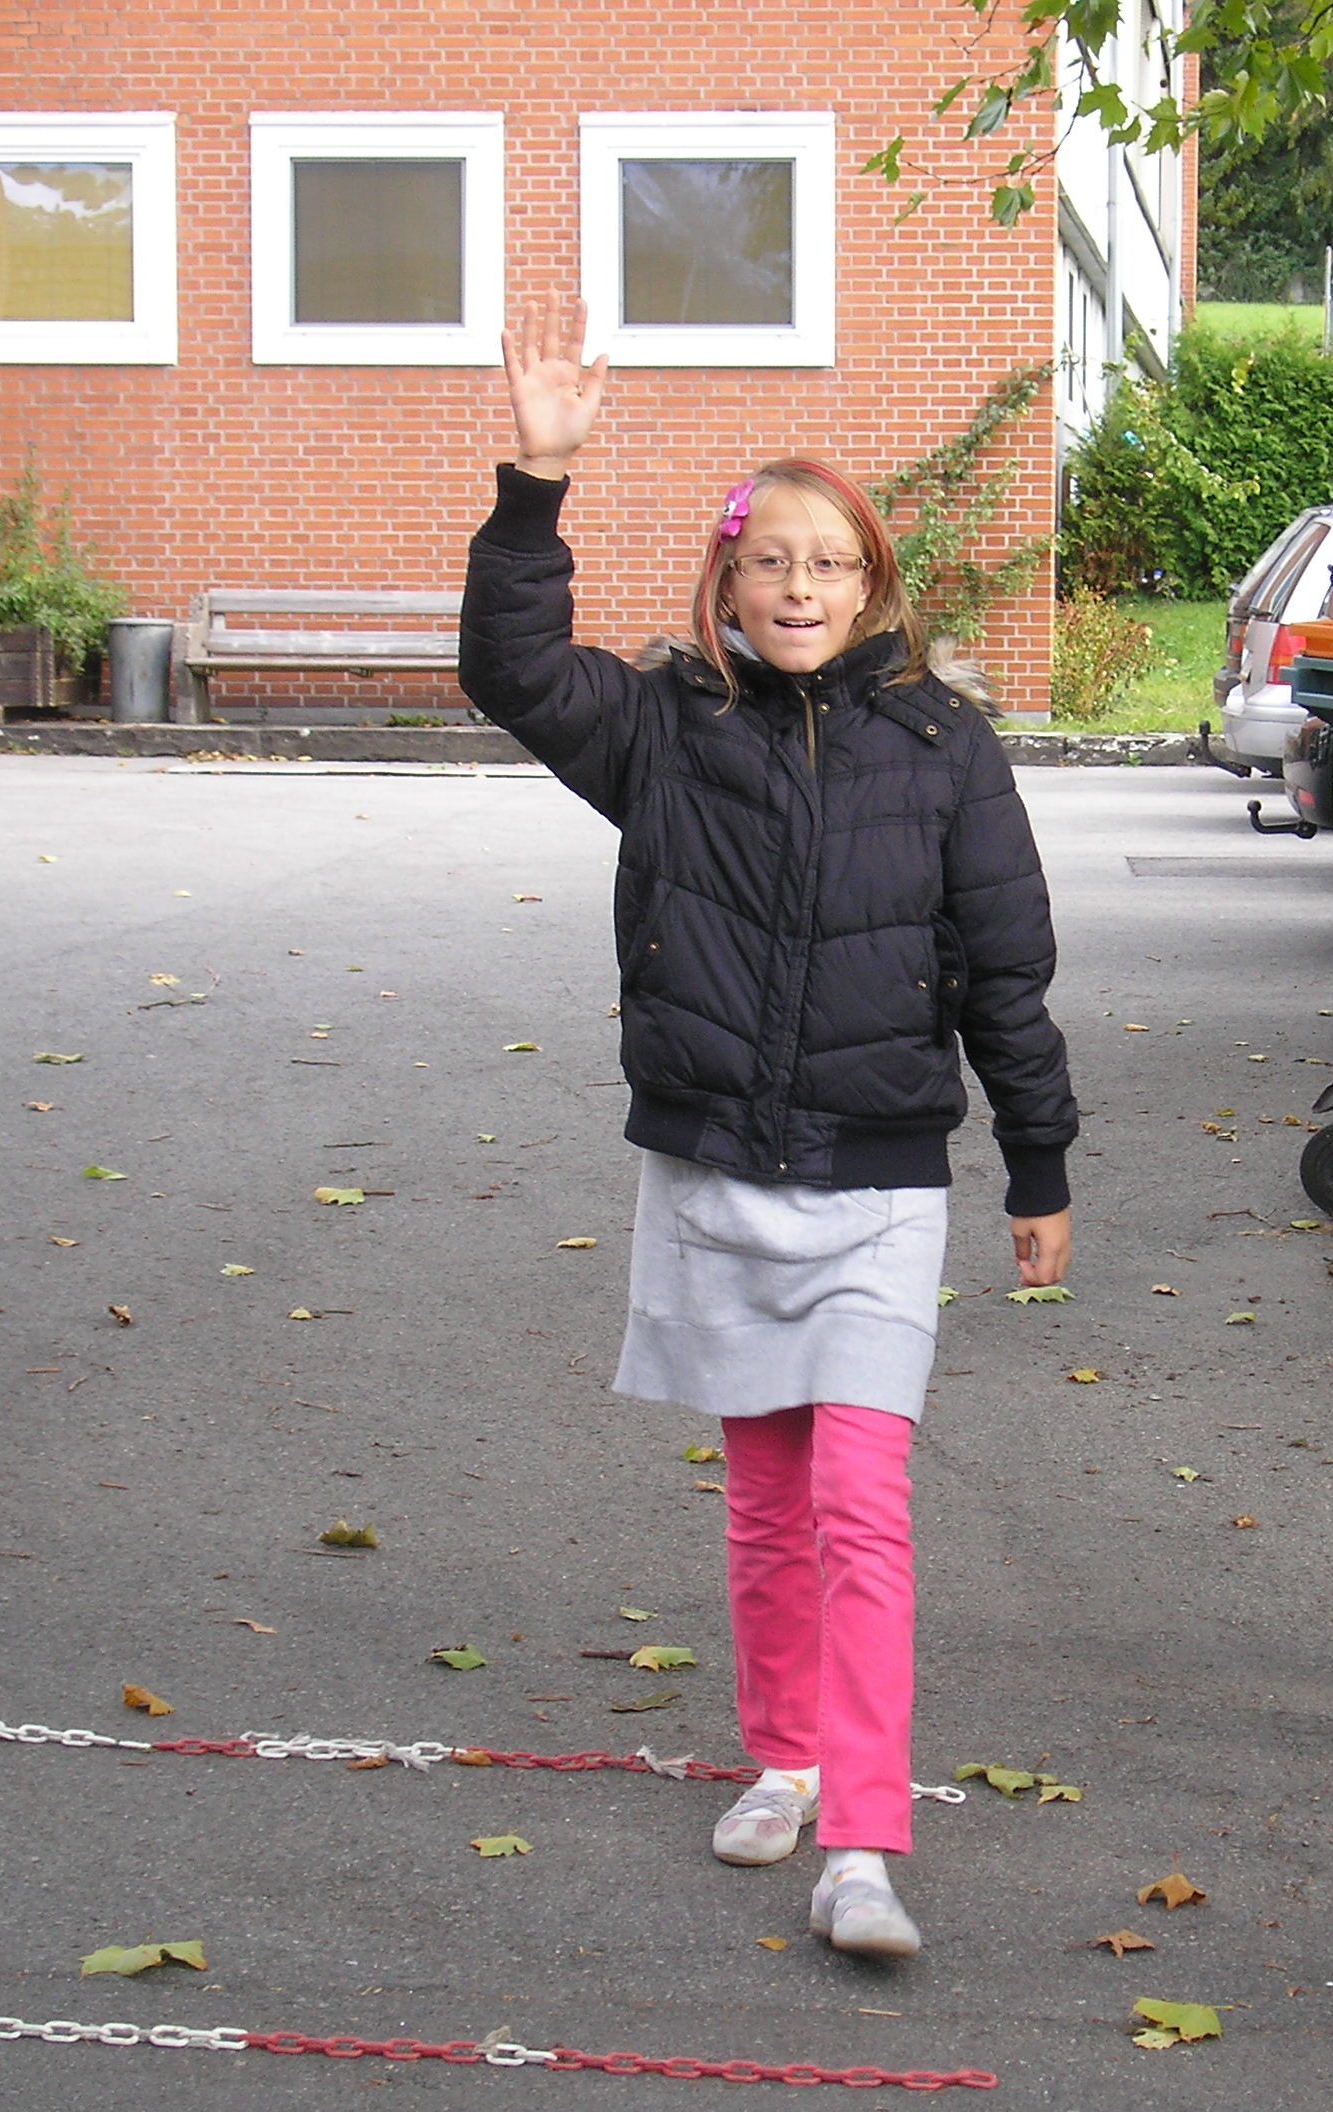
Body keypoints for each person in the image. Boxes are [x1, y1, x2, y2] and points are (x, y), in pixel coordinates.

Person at [457, 294, 1077, 1961]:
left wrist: (1038, 1162)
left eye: (831, 564)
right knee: (763, 1507)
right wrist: (538, 476)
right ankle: (784, 1754)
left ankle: (863, 1841)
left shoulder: (945, 745)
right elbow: (510, 669)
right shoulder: (666, 729)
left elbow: (1007, 967)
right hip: (717, 1175)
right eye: (770, 563)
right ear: (728, 583)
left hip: (877, 1190)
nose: (800, 588)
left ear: (874, 586)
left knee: (861, 1507)